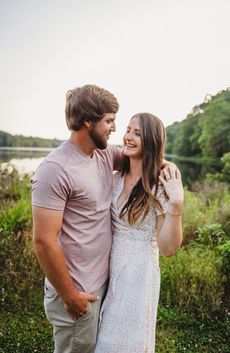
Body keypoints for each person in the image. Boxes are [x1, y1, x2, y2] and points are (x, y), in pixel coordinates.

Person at [31, 85, 178, 353]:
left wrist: (168, 168)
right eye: (109, 121)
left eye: (116, 122)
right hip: (75, 288)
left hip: (105, 282)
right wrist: (69, 295)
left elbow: (143, 158)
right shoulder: (54, 170)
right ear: (88, 121)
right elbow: (43, 241)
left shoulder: (103, 154)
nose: (115, 129)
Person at [94, 113, 183, 353]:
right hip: (111, 267)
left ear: (152, 141)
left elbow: (168, 248)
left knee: (128, 341)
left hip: (139, 273)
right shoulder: (116, 178)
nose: (128, 137)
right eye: (128, 130)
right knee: (103, 333)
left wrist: (176, 207)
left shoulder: (159, 185)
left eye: (138, 134)